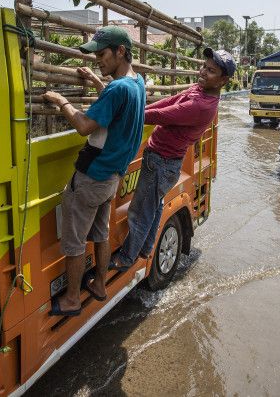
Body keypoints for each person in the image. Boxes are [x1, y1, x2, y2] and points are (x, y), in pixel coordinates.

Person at [42, 26, 145, 317]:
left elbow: (85, 126)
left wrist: (62, 101)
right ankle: (99, 284)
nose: (97, 60)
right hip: (112, 176)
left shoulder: (117, 88)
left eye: (102, 54)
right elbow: (115, 102)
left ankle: (72, 299)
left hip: (91, 176)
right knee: (100, 232)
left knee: (74, 241)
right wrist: (96, 80)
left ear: (120, 51)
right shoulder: (136, 83)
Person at [110, 48, 235, 271]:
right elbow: (169, 102)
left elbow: (164, 115)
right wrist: (139, 109)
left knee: (139, 212)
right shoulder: (200, 90)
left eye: (211, 71)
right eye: (204, 66)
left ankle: (126, 259)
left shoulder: (201, 105)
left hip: (161, 162)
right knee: (154, 206)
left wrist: (130, 114)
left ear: (223, 80)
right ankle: (147, 247)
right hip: (164, 161)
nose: (203, 72)